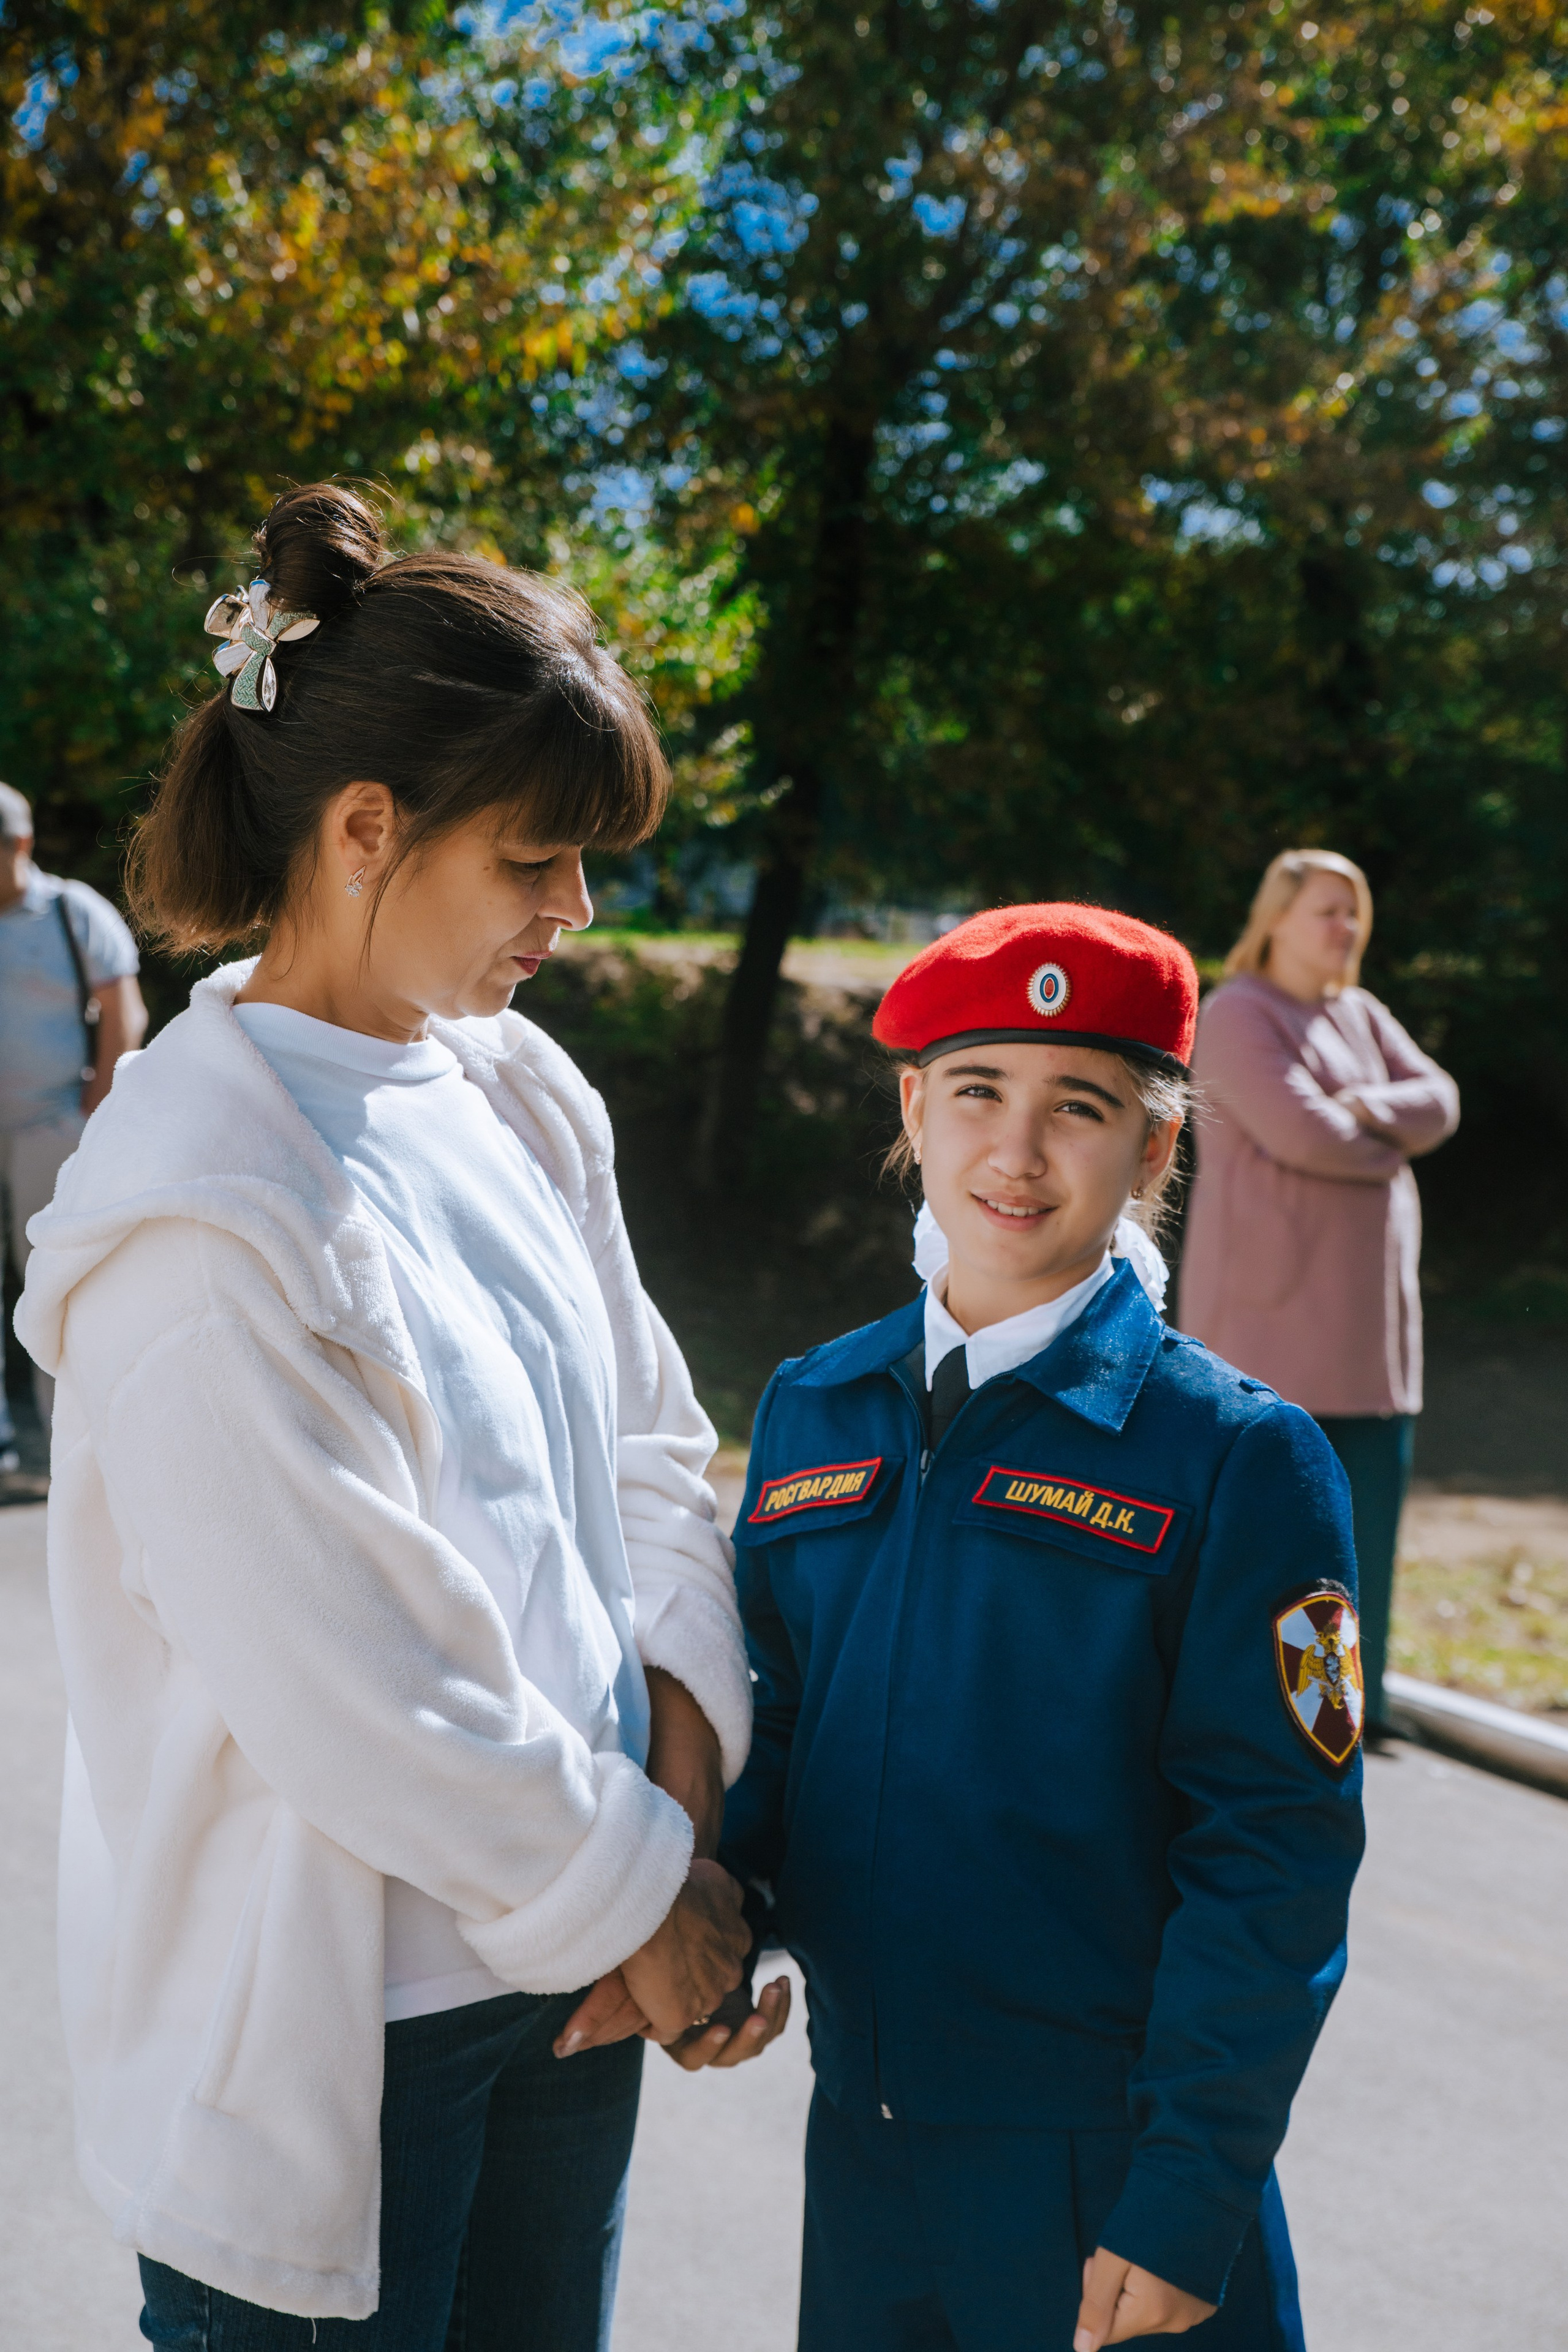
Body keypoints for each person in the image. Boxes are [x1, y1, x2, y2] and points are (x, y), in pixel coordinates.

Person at [17, 484, 755, 2350]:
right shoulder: (198, 1202)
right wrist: (637, 1888)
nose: (574, 908)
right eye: (532, 859)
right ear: (365, 827)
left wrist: (672, 1796)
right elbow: (348, 1673)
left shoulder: (519, 1090)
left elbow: (651, 1450)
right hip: (349, 2037)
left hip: (575, 1969)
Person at [688, 903, 1365, 2352]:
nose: (1014, 1151)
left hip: (1108, 2171)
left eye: (1079, 1107)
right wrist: (714, 1918)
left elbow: (1273, 1857)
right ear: (911, 1109)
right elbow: (775, 1717)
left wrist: (1184, 2192)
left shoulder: (1235, 1455)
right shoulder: (816, 1403)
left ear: (1154, 1149)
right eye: (978, 1091)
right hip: (862, 2153)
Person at [1179, 848, 1460, 1743]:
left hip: (1370, 1331)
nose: (1346, 927)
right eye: (1327, 910)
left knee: (1363, 1522)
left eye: (1354, 912)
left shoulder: (1360, 1013)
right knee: (1266, 1527)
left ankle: (1351, 1707)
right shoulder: (1237, 1012)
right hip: (1270, 1322)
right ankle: (1248, 1711)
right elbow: (1305, 1134)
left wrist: (1361, 1109)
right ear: (1276, 918)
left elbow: (1442, 1101)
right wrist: (1387, 1131)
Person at [0, 779, 147, 1463]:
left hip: (53, 1125)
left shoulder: (71, 911)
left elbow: (125, 1013)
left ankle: (72, 1443)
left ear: (21, 844)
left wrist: (95, 1111)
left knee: (56, 1282)